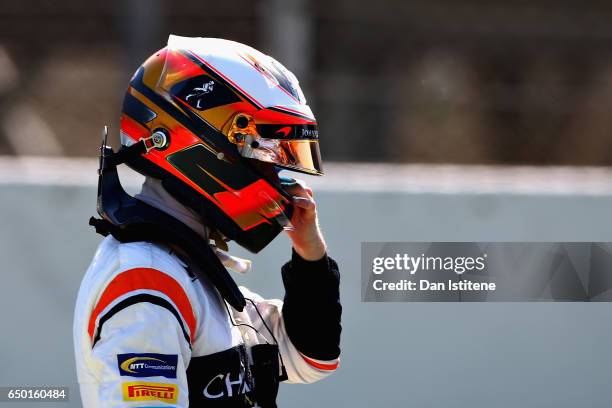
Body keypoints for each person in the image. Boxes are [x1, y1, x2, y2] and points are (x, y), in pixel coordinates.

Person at [73, 35, 341, 407]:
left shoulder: (190, 271)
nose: (279, 173)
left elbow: (311, 358)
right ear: (194, 140)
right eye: (266, 152)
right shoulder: (147, 282)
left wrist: (310, 255)